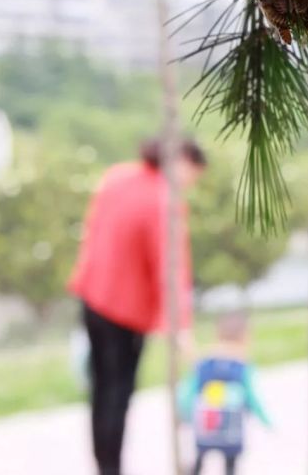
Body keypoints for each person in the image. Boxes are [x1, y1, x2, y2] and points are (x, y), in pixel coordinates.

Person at [69, 136, 207, 475]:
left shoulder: (116, 177)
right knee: (117, 394)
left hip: (93, 299)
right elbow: (171, 267)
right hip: (124, 311)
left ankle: (105, 465)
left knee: (102, 392)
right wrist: (180, 325)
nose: (191, 184)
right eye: (193, 174)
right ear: (183, 162)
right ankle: (111, 468)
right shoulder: (163, 201)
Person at [184, 311, 271, 475]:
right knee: (230, 465)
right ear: (244, 337)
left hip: (207, 425)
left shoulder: (204, 363)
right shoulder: (242, 366)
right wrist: (266, 420)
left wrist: (185, 414)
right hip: (231, 429)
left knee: (200, 457)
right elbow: (252, 397)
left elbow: (189, 391)